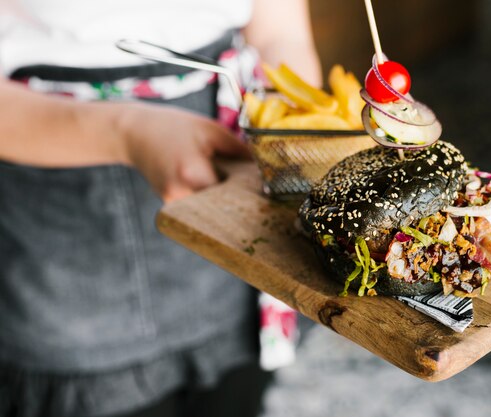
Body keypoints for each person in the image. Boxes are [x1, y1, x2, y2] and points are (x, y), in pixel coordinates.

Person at [0, 0, 321, 416]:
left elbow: (281, 34)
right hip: (65, 223)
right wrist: (128, 133)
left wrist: (298, 125)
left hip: (238, 179)